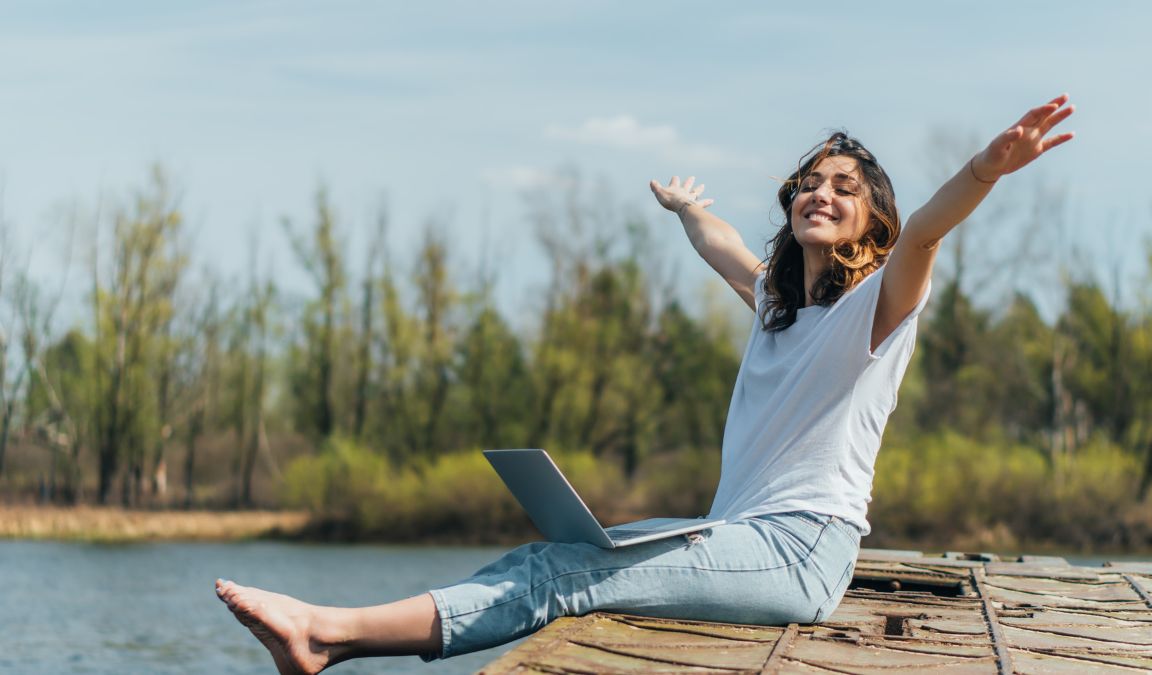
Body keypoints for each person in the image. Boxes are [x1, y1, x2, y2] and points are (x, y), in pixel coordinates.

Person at [214, 94, 1075, 672]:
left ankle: (328, 632)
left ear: (870, 217)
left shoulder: (878, 314)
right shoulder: (780, 310)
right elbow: (725, 248)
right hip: (742, 534)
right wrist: (687, 210)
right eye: (809, 182)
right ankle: (340, 634)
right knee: (559, 551)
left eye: (843, 188)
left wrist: (985, 170)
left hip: (803, 550)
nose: (820, 192)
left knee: (569, 575)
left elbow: (924, 233)